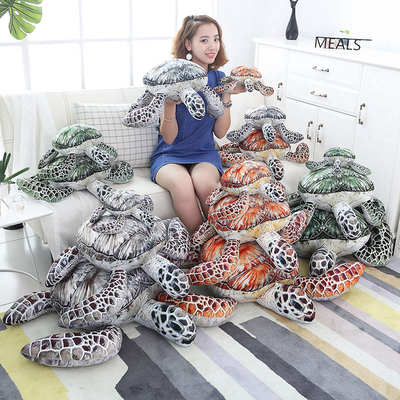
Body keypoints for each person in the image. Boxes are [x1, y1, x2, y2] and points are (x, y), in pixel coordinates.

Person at [150, 15, 245, 233]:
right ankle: (202, 244)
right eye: (204, 40)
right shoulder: (173, 79)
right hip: (169, 155)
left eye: (216, 39)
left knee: (206, 185)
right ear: (188, 44)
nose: (212, 46)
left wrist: (227, 95)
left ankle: (221, 239)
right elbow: (169, 138)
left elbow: (220, 132)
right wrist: (169, 105)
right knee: (182, 186)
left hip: (204, 153)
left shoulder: (219, 78)